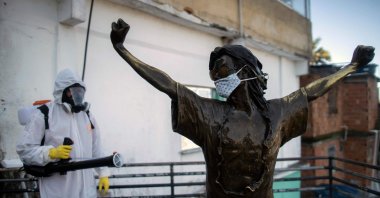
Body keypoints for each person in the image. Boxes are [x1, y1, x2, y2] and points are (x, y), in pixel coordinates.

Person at [110, 18, 375, 197]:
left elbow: (313, 92)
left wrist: (351, 67)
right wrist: (123, 50)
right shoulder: (209, 114)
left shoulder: (278, 113)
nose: (217, 78)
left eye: (222, 69)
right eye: (214, 73)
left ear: (246, 71)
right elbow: (168, 84)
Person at [17, 69, 110, 198]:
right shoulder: (44, 114)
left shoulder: (87, 115)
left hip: (87, 190)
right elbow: (24, 150)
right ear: (62, 91)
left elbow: (96, 147)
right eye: (72, 91)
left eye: (80, 91)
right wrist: (50, 153)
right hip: (58, 190)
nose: (77, 96)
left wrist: (103, 173)